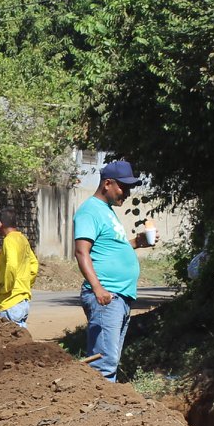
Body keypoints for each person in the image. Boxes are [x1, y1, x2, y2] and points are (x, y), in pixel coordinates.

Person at [74, 159, 142, 380]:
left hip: (119, 297)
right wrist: (98, 289)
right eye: (124, 187)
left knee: (109, 361)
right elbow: (81, 252)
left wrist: (137, 243)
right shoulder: (90, 211)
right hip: (107, 296)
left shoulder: (107, 211)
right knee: (103, 365)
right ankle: (98, 412)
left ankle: (104, 411)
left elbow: (111, 247)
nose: (128, 193)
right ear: (107, 184)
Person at [0, 213, 39, 327]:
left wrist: (5, 288)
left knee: (10, 342)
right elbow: (34, 265)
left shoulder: (9, 240)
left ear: (0, 224)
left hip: (10, 301)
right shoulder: (22, 239)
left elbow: (11, 265)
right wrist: (26, 283)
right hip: (22, 300)